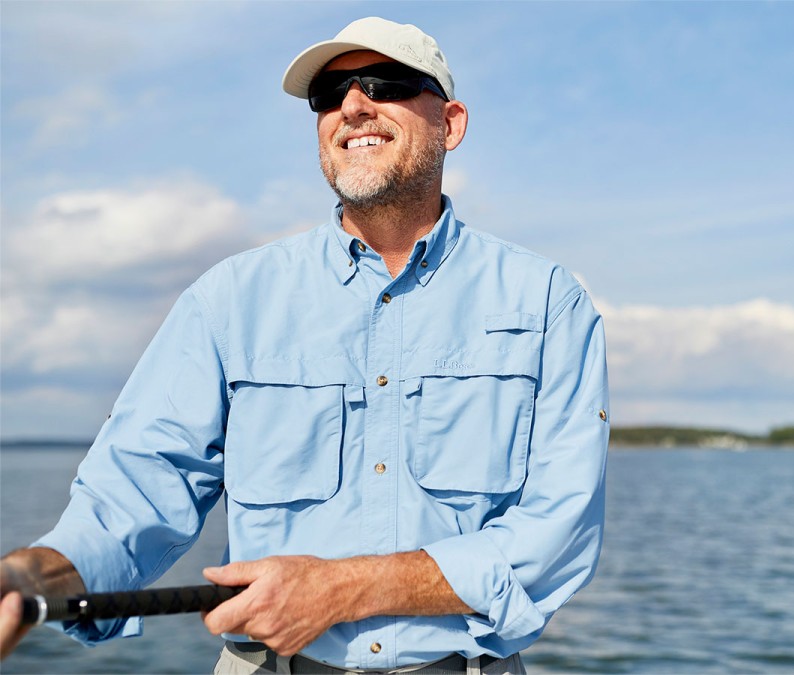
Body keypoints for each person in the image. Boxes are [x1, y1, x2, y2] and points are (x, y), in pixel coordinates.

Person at [0, 17, 609, 674]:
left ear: (451, 123)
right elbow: (138, 491)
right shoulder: (227, 299)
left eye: (388, 83)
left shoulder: (549, 302)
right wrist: (29, 576)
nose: (353, 105)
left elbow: (558, 533)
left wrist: (344, 587)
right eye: (330, 93)